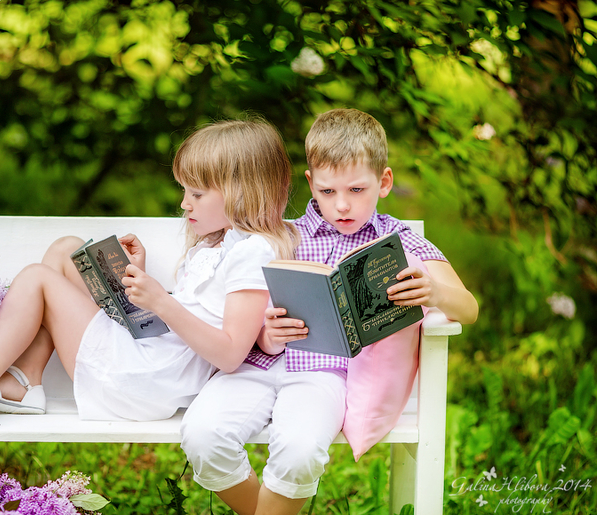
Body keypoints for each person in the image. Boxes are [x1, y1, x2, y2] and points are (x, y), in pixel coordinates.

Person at [0, 117, 299, 427]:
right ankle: (24, 381)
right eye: (183, 191)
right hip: (151, 353)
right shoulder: (215, 243)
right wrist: (138, 279)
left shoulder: (252, 252)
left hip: (144, 380)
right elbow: (193, 312)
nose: (184, 204)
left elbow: (229, 353)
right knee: (66, 251)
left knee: (37, 278)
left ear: (244, 192)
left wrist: (159, 301)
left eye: (196, 193)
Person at [180, 108, 479, 515]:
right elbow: (251, 320)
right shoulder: (280, 235)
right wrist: (269, 335)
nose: (341, 206)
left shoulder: (400, 241)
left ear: (384, 181)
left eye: (357, 190)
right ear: (310, 184)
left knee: (301, 451)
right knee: (202, 435)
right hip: (258, 366)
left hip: (324, 374)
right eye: (327, 192)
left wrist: (435, 291)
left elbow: (470, 308)